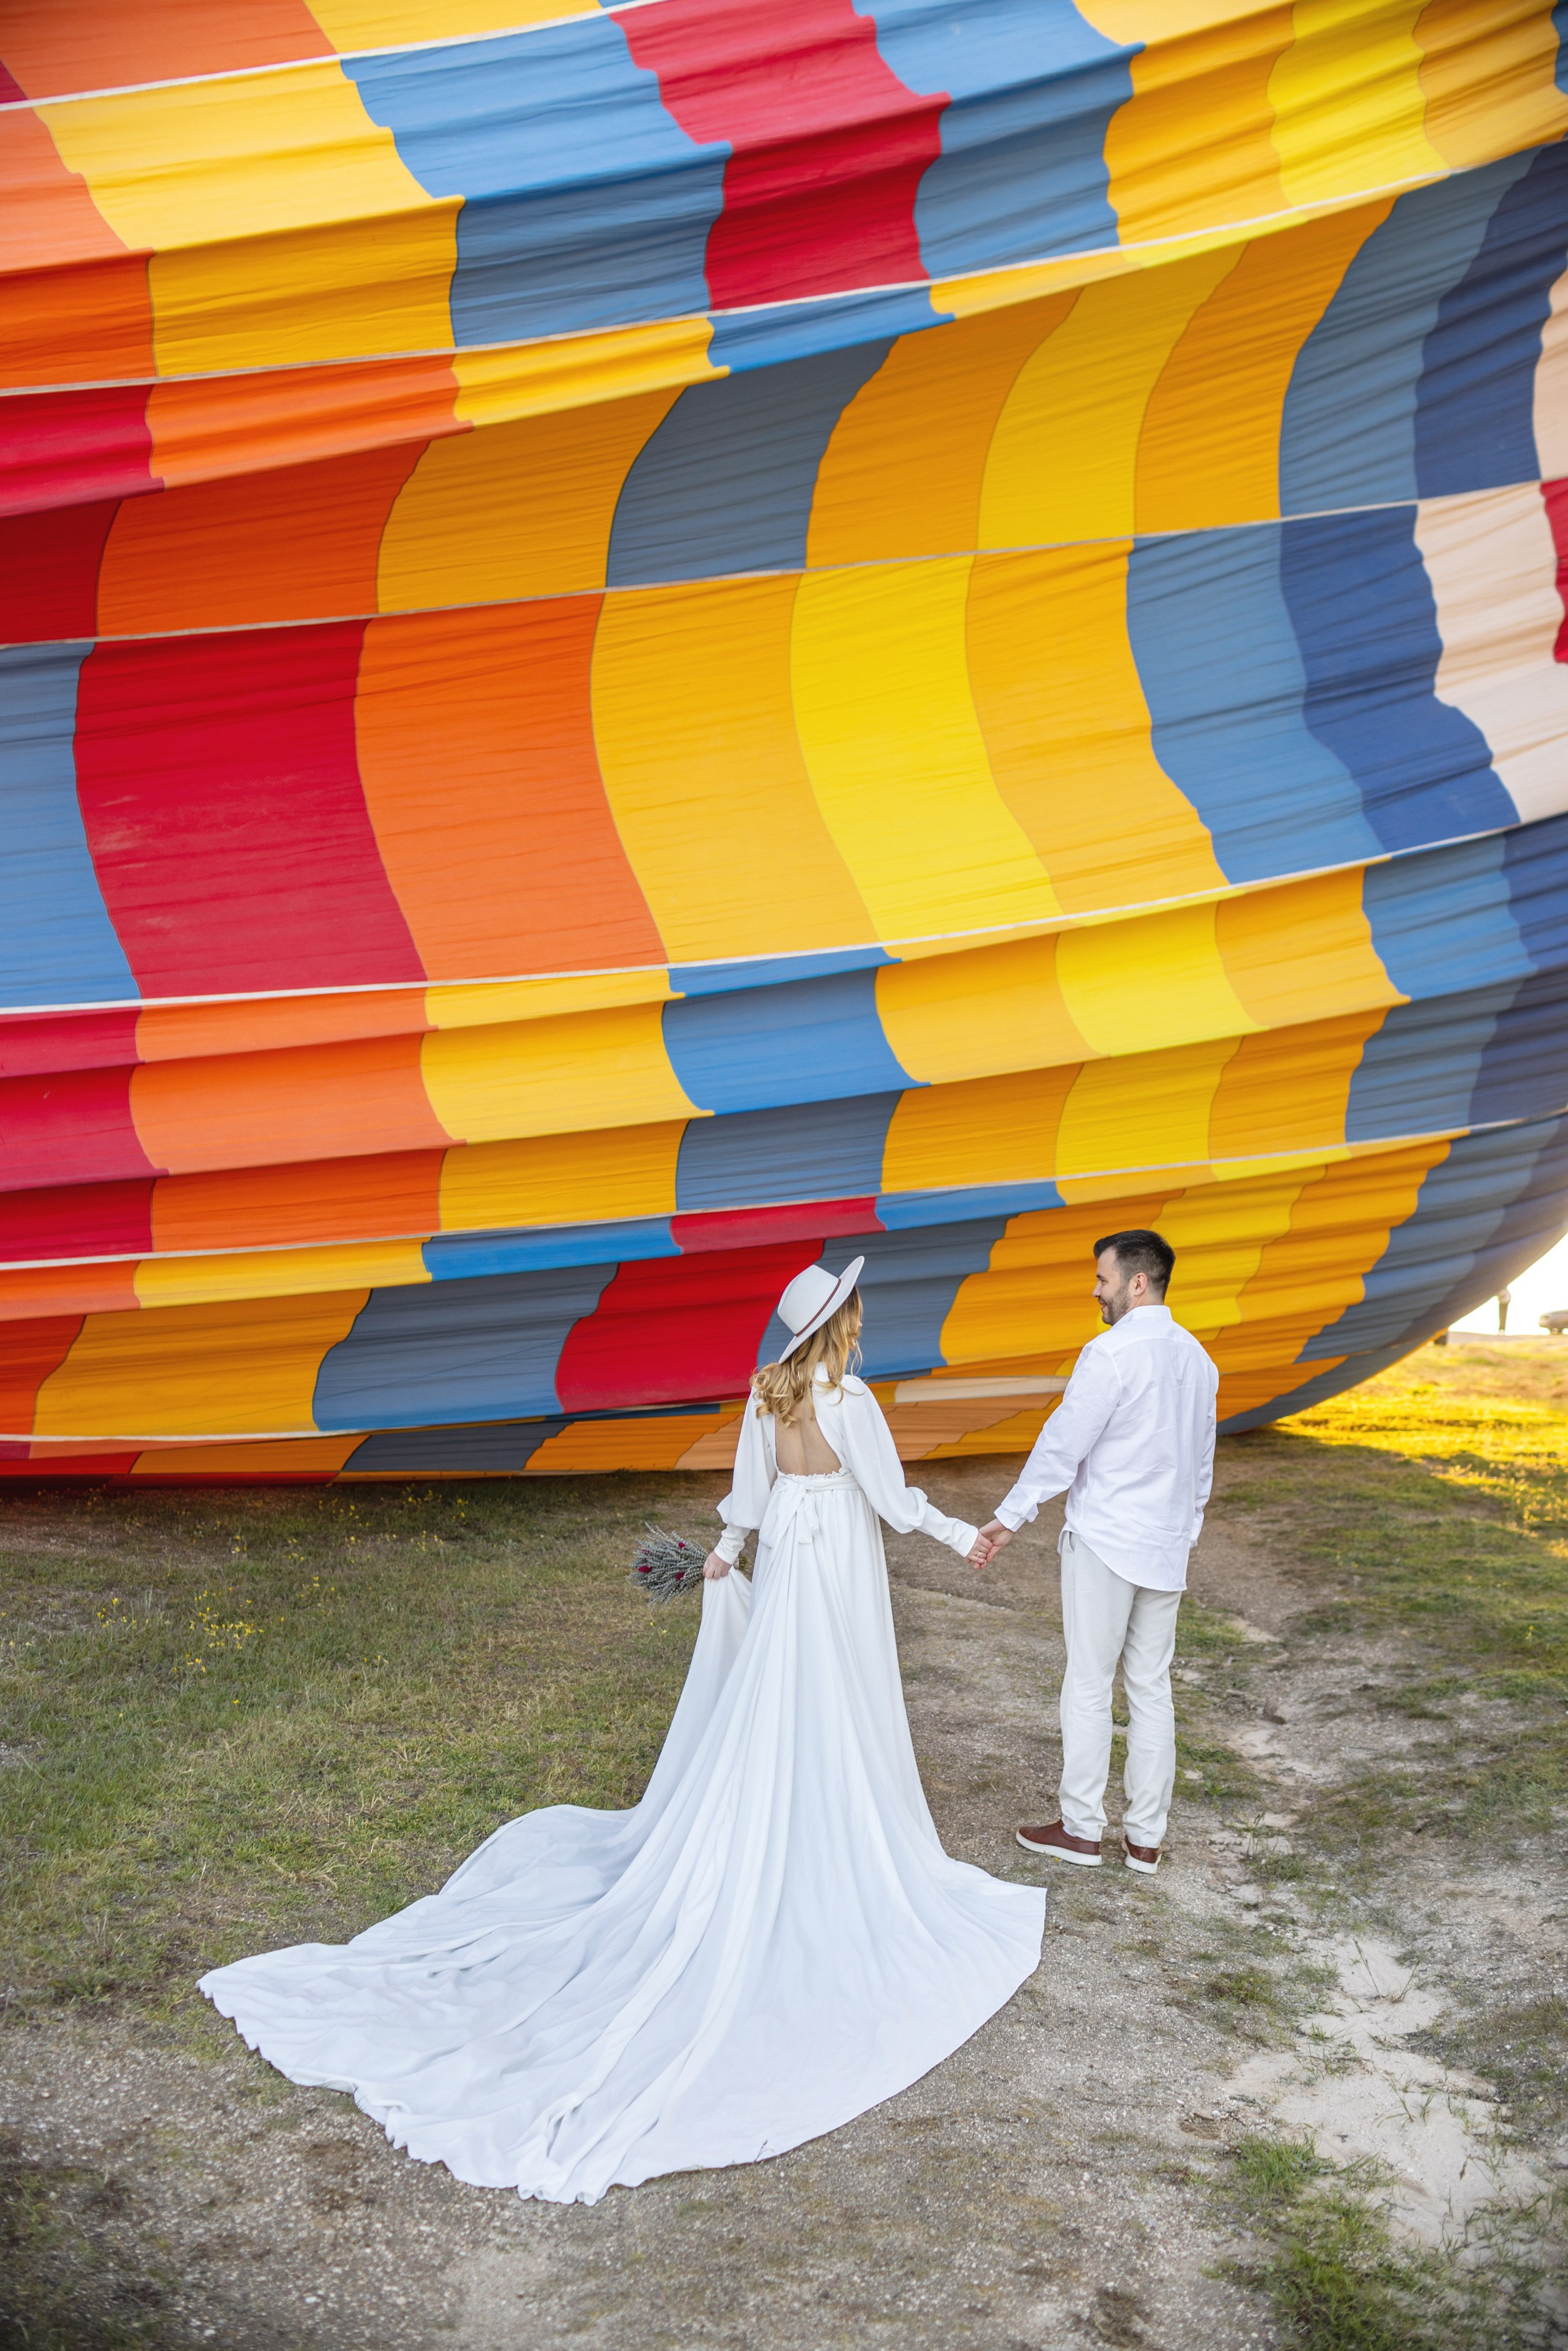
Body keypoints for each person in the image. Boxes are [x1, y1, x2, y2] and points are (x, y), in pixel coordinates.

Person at [200, 1258, 1046, 2205]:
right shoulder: (853, 1402)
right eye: (857, 1303)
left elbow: (749, 1508)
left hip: (795, 1577)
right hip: (839, 1573)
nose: (864, 1310)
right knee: (840, 1703)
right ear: (840, 1322)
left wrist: (723, 1558)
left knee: (782, 1703)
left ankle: (785, 1823)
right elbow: (890, 1504)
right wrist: (958, 1534)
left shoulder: (766, 1397)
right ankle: (830, 1838)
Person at [975, 1230, 1217, 1877]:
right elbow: (1201, 1464)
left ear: (1138, 1282)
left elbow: (1063, 1443)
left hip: (1108, 1540)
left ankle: (1081, 1829)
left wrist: (1009, 1516)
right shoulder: (1198, 1360)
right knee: (1150, 1689)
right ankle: (1145, 1840)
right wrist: (1184, 1531)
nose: (1095, 1290)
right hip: (1164, 1547)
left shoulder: (1109, 1354)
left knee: (1088, 1683)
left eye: (1103, 1279)